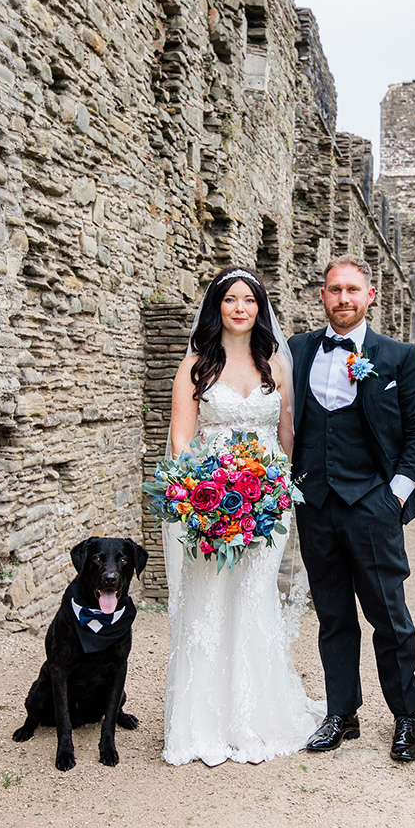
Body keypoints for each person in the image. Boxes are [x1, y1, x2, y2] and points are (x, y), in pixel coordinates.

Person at [163, 266, 323, 766]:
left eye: (248, 300)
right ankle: (203, 723)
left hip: (267, 501)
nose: (239, 308)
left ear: (260, 307)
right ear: (217, 307)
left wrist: (281, 486)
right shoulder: (195, 365)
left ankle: (256, 717)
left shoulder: (275, 363)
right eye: (230, 299)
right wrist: (198, 494)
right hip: (209, 500)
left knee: (255, 598)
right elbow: (181, 438)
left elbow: (286, 430)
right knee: (209, 601)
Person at [289, 253, 415, 762]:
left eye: (353, 290)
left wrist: (393, 494)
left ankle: (404, 719)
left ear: (369, 295)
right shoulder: (298, 350)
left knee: (389, 616)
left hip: (373, 504)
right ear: (323, 295)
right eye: (334, 290)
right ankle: (341, 713)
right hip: (316, 505)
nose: (343, 299)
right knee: (332, 616)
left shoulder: (399, 356)